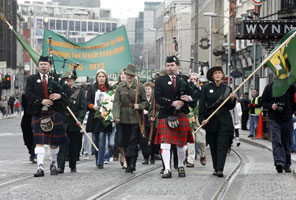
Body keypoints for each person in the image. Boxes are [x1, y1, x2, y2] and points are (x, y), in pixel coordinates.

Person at [25, 56, 70, 177]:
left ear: (49, 66)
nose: (43, 66)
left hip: (54, 112)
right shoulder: (32, 79)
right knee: (39, 141)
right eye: (41, 64)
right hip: (38, 113)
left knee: (54, 142)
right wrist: (41, 101)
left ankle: (53, 164)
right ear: (38, 66)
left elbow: (67, 91)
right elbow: (28, 94)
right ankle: (40, 167)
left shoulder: (56, 78)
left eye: (45, 64)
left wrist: (59, 95)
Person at [154, 56, 197, 178]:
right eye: (168, 66)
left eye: (172, 65)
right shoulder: (160, 80)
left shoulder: (184, 79)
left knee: (181, 144)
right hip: (165, 114)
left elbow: (196, 93)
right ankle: (167, 169)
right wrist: (172, 103)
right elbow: (158, 98)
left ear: (177, 66)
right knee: (165, 143)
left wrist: (189, 98)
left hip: (181, 114)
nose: (170, 68)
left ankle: (180, 165)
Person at [198, 66, 236, 178]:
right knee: (213, 145)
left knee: (222, 145)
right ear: (212, 76)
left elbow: (230, 107)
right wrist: (201, 119)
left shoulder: (227, 89)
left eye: (220, 73)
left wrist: (232, 99)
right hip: (211, 120)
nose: (218, 75)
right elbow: (202, 105)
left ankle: (220, 168)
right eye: (216, 73)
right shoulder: (205, 88)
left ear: (223, 75)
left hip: (224, 120)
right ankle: (216, 167)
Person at [113, 64, 148, 173]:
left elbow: (145, 102)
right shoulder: (119, 87)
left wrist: (140, 106)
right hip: (123, 118)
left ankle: (131, 163)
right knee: (123, 142)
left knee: (132, 141)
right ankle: (127, 161)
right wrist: (116, 116)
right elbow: (116, 103)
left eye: (131, 75)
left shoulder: (140, 87)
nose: (129, 77)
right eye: (127, 74)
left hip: (135, 118)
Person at [261, 83, 296, 173]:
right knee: (277, 140)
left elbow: (294, 100)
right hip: (274, 119)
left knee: (286, 142)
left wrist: (292, 110)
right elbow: (262, 101)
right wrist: (271, 106)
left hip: (287, 119)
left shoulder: (291, 87)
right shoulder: (269, 87)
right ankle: (279, 162)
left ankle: (287, 164)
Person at [57, 71, 87, 173]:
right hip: (63, 121)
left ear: (74, 79)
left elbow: (83, 108)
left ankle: (72, 165)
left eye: (70, 78)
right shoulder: (60, 91)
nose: (69, 80)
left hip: (75, 121)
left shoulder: (80, 91)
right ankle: (60, 166)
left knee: (74, 146)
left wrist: (80, 119)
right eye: (66, 79)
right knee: (62, 146)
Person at [86, 69, 113, 169]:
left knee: (102, 139)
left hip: (104, 117)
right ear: (96, 78)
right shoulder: (92, 88)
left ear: (106, 78)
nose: (101, 78)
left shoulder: (109, 88)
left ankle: (100, 162)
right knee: (94, 139)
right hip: (94, 117)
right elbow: (87, 101)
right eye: (99, 76)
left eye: (103, 76)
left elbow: (112, 101)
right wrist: (92, 106)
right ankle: (98, 158)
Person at [186, 72, 206, 168]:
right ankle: (190, 160)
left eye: (195, 79)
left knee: (201, 140)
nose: (193, 81)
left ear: (199, 80)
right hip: (189, 117)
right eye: (191, 79)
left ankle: (202, 155)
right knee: (190, 140)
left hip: (199, 118)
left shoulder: (203, 91)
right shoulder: (187, 90)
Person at [139, 82, 156, 164]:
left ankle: (152, 156)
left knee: (152, 140)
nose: (147, 91)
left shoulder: (154, 99)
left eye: (149, 89)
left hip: (152, 122)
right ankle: (146, 157)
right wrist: (142, 111)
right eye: (145, 89)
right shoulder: (142, 99)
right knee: (143, 140)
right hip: (144, 122)